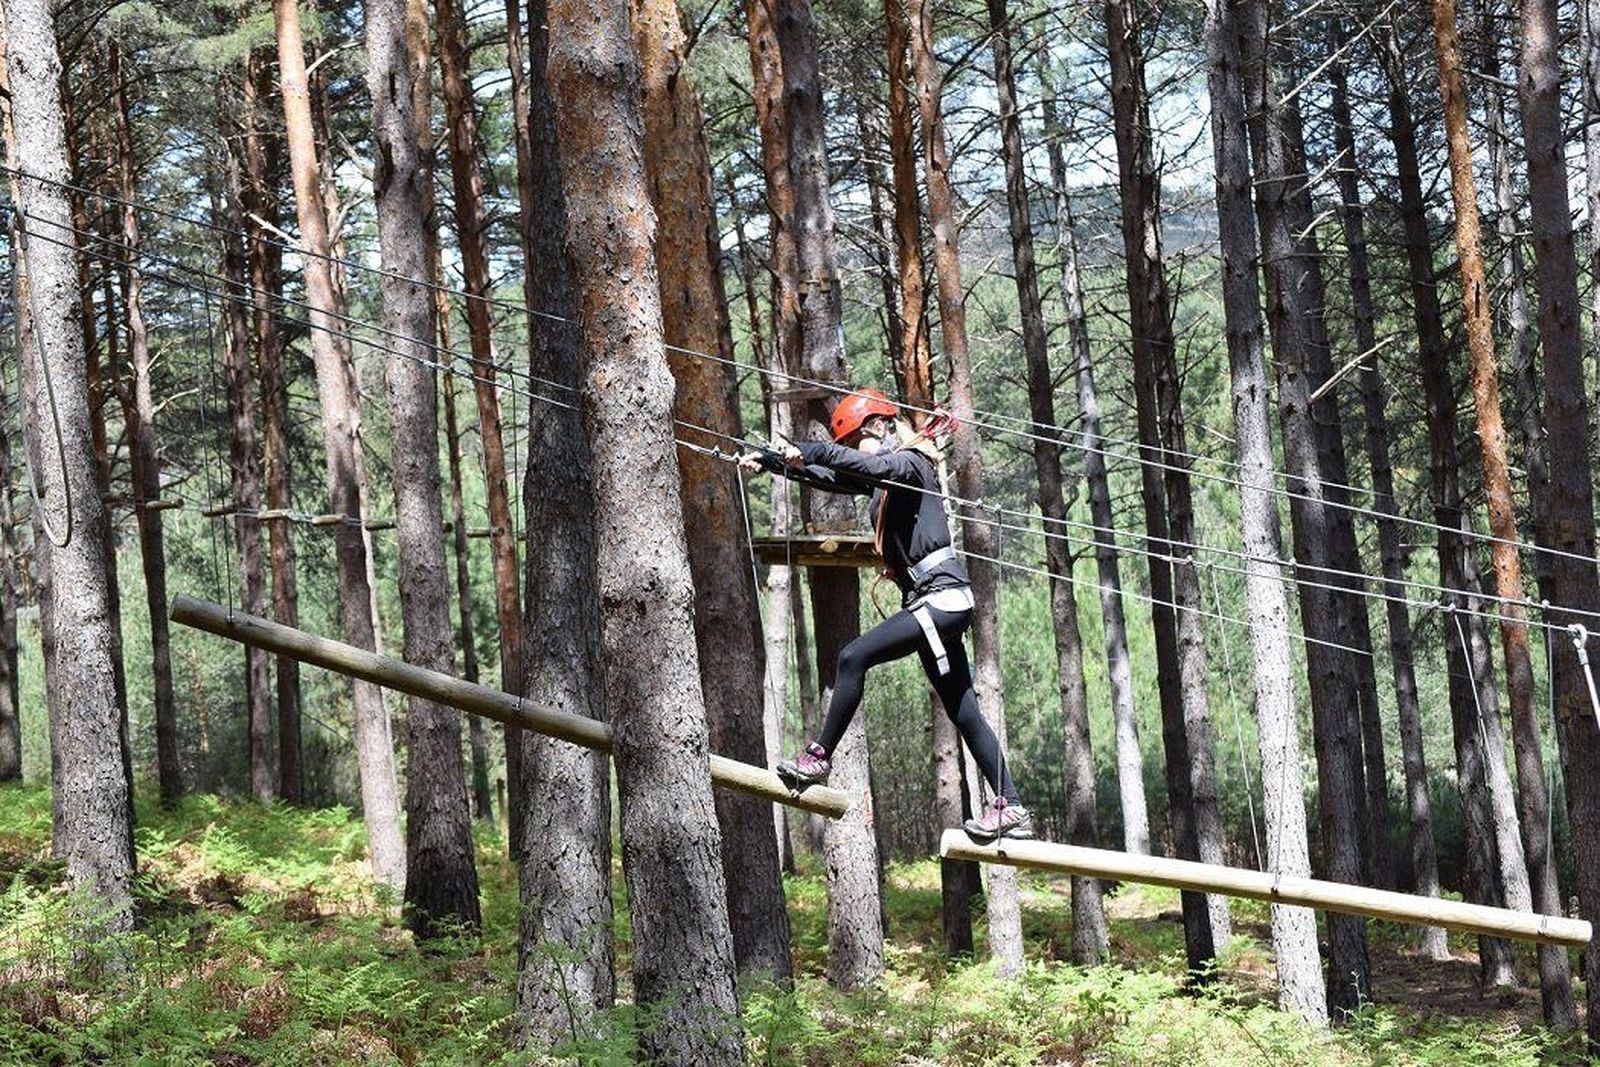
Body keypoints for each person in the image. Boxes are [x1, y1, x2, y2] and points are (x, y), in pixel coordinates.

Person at [741, 388, 1032, 841]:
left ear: (877, 427)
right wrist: (778, 462)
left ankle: (818, 755)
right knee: (964, 710)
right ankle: (1011, 805)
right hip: (937, 603)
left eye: (857, 440)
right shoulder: (885, 474)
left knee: (853, 657)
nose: (857, 452)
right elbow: (836, 477)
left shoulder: (911, 462)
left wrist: (814, 448)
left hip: (940, 599)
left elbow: (869, 466)